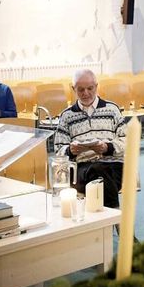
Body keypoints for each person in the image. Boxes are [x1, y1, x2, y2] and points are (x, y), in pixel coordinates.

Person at [52, 69, 128, 209]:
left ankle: (107, 223)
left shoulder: (112, 109)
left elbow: (127, 141)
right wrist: (70, 150)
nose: (85, 93)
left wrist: (108, 147)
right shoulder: (67, 115)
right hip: (82, 169)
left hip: (113, 165)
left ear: (96, 86)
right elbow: (58, 150)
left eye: (90, 88)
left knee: (101, 176)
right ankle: (118, 221)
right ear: (73, 89)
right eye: (80, 89)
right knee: (98, 172)